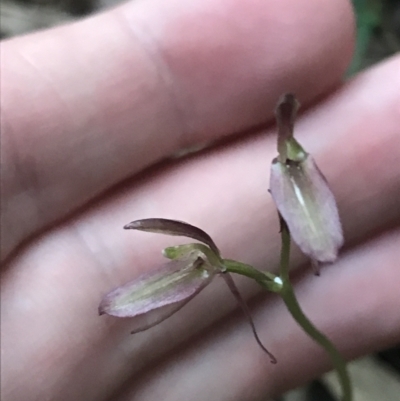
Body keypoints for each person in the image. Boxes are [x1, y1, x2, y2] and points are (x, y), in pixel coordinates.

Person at [1, 0, 399, 400]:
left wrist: (315, 244)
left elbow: (315, 232)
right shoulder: (216, 262)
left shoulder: (292, 172)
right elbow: (122, 301)